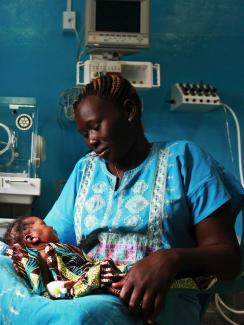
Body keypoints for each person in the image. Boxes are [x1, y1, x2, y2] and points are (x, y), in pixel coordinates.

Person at [44, 74, 244, 324]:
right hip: (90, 307)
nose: (91, 140)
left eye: (96, 126)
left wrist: (169, 260)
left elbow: (228, 260)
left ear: (129, 111)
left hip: (164, 312)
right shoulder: (85, 170)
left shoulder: (183, 160)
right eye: (84, 133)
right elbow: (49, 242)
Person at [4, 215, 126, 298]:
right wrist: (55, 289)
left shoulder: (59, 248)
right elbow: (45, 280)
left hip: (91, 273)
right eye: (44, 224)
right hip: (87, 279)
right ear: (32, 238)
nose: (51, 226)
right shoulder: (44, 252)